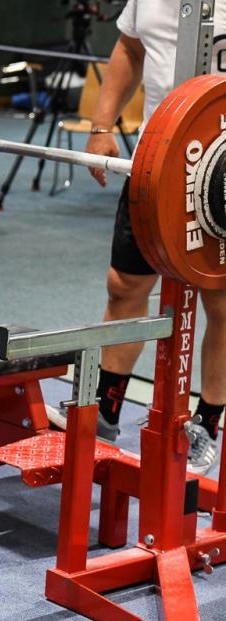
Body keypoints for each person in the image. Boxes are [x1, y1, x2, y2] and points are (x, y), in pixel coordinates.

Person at [51, 0, 226, 475]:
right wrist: (101, 126)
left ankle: (208, 424)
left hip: (221, 162)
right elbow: (129, 48)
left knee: (220, 301)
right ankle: (106, 410)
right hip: (157, 159)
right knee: (125, 285)